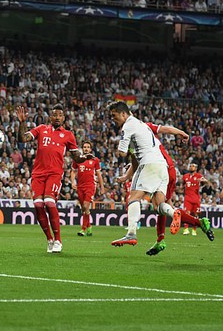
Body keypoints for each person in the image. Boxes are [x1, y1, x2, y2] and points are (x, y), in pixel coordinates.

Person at [108, 101, 213, 248]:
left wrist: (119, 151)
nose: (113, 119)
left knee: (133, 197)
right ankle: (174, 214)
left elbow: (123, 152)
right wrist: (126, 176)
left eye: (114, 116)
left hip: (150, 164)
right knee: (159, 205)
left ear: (123, 113)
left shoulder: (128, 126)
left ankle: (131, 234)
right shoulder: (143, 126)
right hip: (162, 166)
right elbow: (136, 157)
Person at [16, 104, 90, 253]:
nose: (57, 117)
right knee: (38, 204)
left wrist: (83, 158)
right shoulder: (41, 129)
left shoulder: (68, 135)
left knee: (49, 202)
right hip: (38, 173)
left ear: (63, 118)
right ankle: (49, 239)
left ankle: (58, 240)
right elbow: (23, 138)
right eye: (54, 115)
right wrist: (22, 123)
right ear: (50, 117)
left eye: (60, 115)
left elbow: (76, 156)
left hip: (55, 173)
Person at [70, 141, 104, 237]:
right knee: (84, 209)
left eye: (88, 147)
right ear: (82, 148)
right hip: (80, 187)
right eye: (84, 147)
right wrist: (73, 182)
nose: (86, 149)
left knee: (85, 206)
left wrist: (102, 187)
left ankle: (83, 229)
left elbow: (99, 174)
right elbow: (73, 171)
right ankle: (89, 226)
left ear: (90, 149)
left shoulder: (95, 160)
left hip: (90, 186)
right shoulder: (78, 159)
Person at [181, 163, 212, 236]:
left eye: (193, 166)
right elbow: (182, 185)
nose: (191, 167)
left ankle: (194, 230)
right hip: (187, 198)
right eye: (190, 166)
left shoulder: (199, 176)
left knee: (196, 214)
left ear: (196, 168)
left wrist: (202, 181)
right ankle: (186, 229)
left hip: (196, 198)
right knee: (186, 214)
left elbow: (207, 182)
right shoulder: (185, 176)